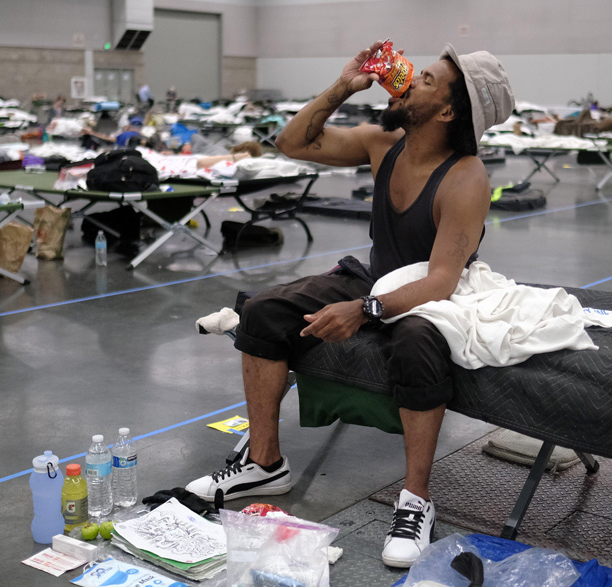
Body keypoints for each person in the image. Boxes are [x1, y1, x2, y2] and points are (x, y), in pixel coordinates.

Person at [185, 39, 514, 568]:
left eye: (427, 80)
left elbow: (442, 281)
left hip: (430, 295)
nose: (410, 81)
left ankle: (415, 500)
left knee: (417, 346)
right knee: (265, 311)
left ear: (449, 111)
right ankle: (265, 461)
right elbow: (291, 143)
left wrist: (366, 310)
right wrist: (344, 85)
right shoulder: (386, 142)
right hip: (375, 277)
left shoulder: (466, 177)